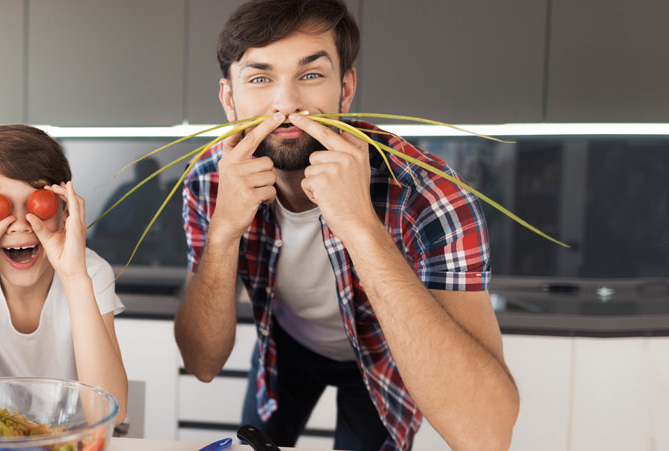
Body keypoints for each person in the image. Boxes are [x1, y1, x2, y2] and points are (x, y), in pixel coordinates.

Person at [173, 1, 518, 449]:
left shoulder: (427, 193)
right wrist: (223, 233)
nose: (286, 104)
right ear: (228, 99)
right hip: (284, 343)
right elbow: (202, 363)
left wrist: (360, 226)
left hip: (382, 354)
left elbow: (487, 436)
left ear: (346, 87)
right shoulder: (208, 180)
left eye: (311, 75)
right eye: (260, 78)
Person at [0, 125, 128, 426]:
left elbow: (109, 416)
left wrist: (74, 275)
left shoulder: (89, 272)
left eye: (40, 203)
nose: (21, 224)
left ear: (66, 211)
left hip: (76, 435)